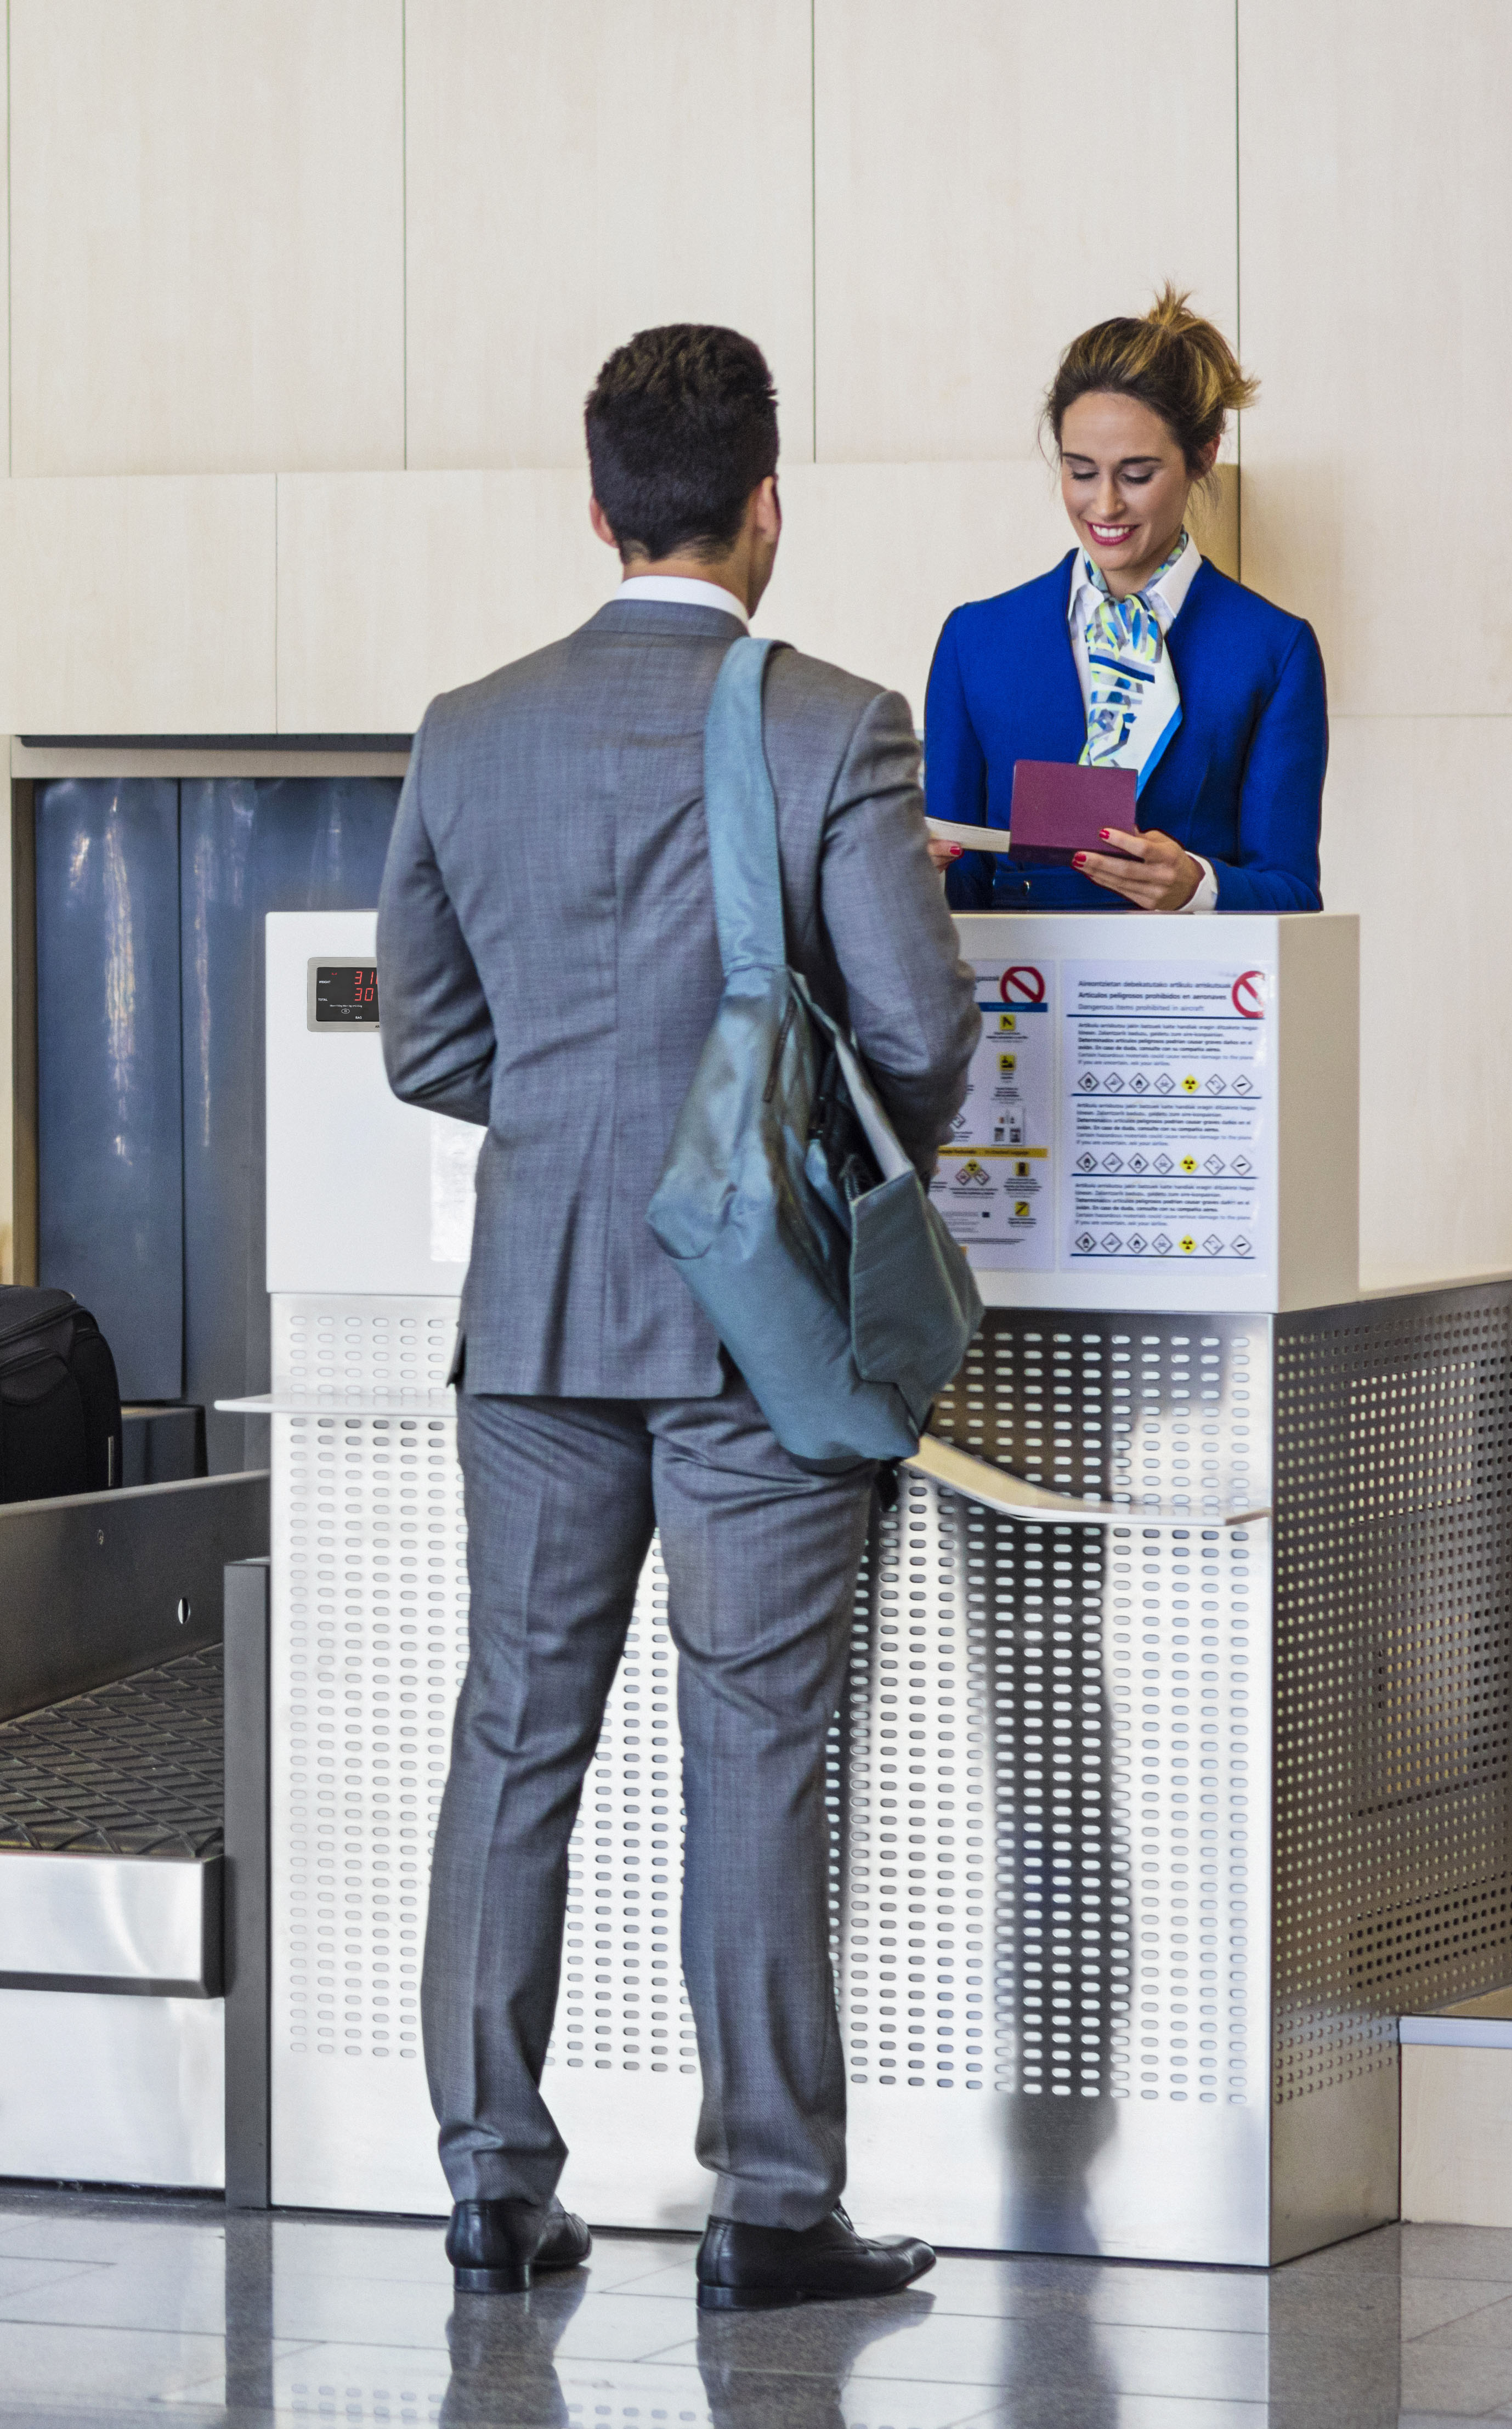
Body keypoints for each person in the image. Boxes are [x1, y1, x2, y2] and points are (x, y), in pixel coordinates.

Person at [375, 325, 977, 2312]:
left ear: (596, 506)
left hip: (533, 1316)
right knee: (754, 1751)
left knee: (512, 1733)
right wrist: (772, 1164)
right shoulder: (831, 724)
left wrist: (579, 1123)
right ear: (765, 505)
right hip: (755, 1336)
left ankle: (491, 2180)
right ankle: (769, 2201)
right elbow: (916, 1030)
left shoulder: (465, 727)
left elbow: (426, 1040)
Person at [925, 288, 1327, 911]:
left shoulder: (1270, 650)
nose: (1105, 504)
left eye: (1137, 475)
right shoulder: (976, 641)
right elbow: (956, 883)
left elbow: (1293, 892)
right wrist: (905, 873)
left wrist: (1198, 885)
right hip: (1013, 972)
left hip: (1187, 971)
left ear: (1203, 454)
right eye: (1080, 472)